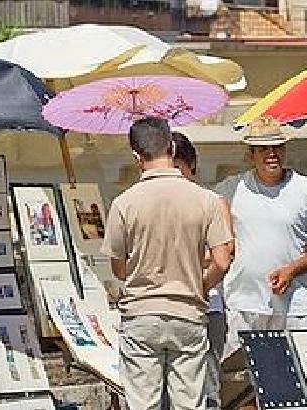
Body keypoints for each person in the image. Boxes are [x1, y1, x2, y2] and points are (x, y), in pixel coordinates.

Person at [101, 117, 233, 410]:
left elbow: (118, 268)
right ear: (172, 147)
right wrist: (199, 286)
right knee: (190, 404)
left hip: (141, 314)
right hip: (188, 312)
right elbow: (223, 261)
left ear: (136, 157)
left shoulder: (123, 203)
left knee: (144, 404)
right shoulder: (206, 200)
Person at [215, 119, 307, 408]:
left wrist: (293, 270)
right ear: (250, 154)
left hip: (292, 304)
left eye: (277, 147)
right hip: (243, 302)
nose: (271, 154)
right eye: (263, 148)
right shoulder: (231, 189)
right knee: (243, 387)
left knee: (297, 382)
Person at [171, 131, 234, 410]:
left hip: (207, 307)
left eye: (177, 167)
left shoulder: (212, 201)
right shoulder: (156, 204)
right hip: (168, 307)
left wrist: (200, 282)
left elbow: (225, 252)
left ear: (191, 165)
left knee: (207, 387)